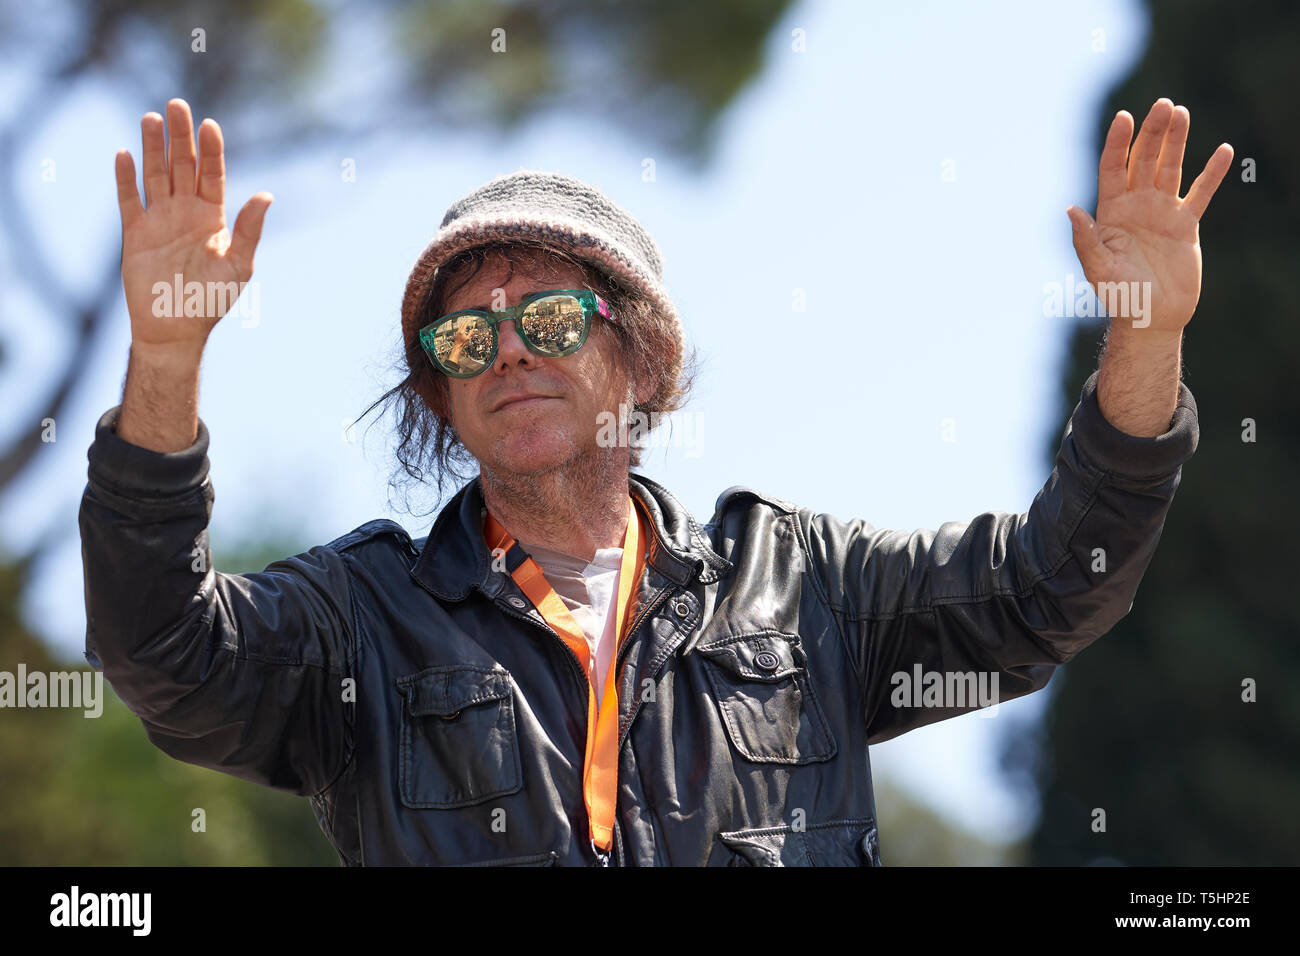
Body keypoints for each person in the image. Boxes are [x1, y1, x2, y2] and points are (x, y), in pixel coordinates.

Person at [79, 96, 1231, 866]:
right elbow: (162, 651)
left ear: (640, 354)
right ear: (438, 393)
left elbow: (1052, 584)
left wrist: (1143, 335)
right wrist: (168, 357)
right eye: (465, 339)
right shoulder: (358, 622)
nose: (509, 350)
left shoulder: (806, 584)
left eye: (546, 314)